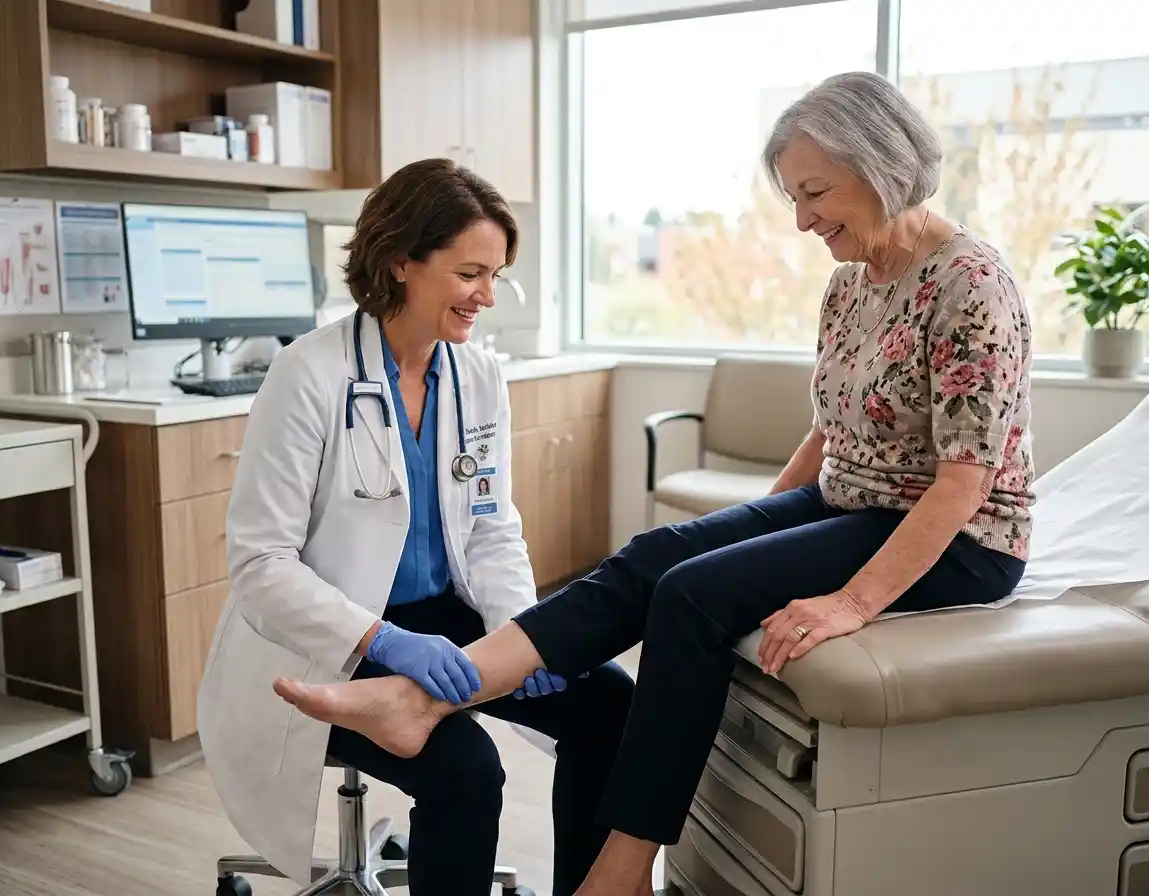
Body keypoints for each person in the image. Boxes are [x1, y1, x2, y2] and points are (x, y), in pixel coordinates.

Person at [271, 71, 1037, 896]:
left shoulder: (970, 284)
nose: (802, 218)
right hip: (849, 502)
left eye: (813, 192)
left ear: (884, 163)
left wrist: (848, 603)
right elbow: (831, 433)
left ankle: (623, 867)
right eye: (793, 196)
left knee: (694, 593)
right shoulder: (851, 284)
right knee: (660, 552)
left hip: (957, 535)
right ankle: (422, 704)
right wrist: (759, 527)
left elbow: (967, 477)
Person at [196, 158, 635, 896]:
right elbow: (260, 565)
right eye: (470, 274)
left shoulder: (478, 376)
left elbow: (493, 527)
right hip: (329, 642)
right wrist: (385, 641)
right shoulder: (308, 375)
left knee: (609, 703)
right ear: (400, 260)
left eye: (495, 276)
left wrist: (522, 628)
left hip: (444, 621)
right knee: (466, 769)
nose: (487, 297)